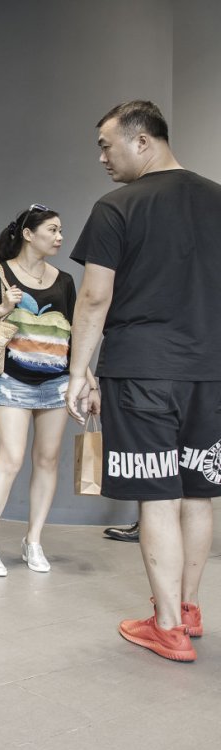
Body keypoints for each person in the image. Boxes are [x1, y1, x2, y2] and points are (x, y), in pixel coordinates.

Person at [66, 100, 221, 662]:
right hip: (211, 370)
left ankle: (168, 626)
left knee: (158, 496)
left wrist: (78, 369)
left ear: (143, 142)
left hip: (142, 370)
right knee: (201, 491)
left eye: (107, 145)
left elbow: (94, 296)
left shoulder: (116, 206)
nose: (103, 157)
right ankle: (190, 608)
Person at [0, 206, 87, 576]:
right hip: (12, 380)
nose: (60, 236)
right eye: (53, 229)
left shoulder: (64, 279)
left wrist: (85, 377)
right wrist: (2, 307)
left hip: (57, 381)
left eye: (61, 230)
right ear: (28, 234)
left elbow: (74, 333)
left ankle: (33, 541)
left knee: (46, 460)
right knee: (10, 459)